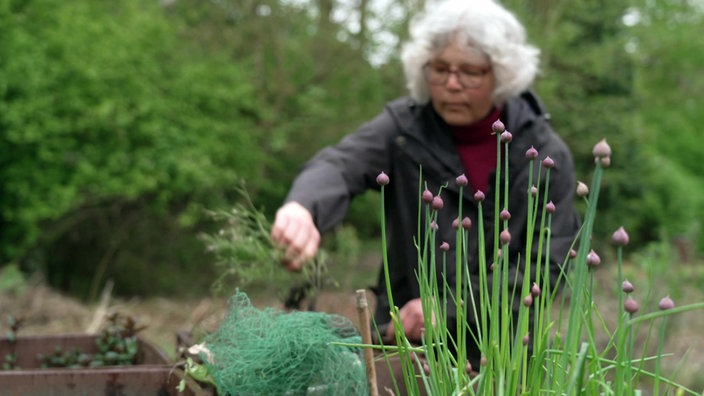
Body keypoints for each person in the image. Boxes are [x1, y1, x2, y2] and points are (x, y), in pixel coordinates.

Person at [270, 0, 580, 370]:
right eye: (439, 69)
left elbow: (547, 265)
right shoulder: (403, 130)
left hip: (504, 357)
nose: (451, 84)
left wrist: (449, 309)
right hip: (406, 348)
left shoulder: (544, 154)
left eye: (470, 72)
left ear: (502, 74)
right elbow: (338, 164)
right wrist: (302, 208)